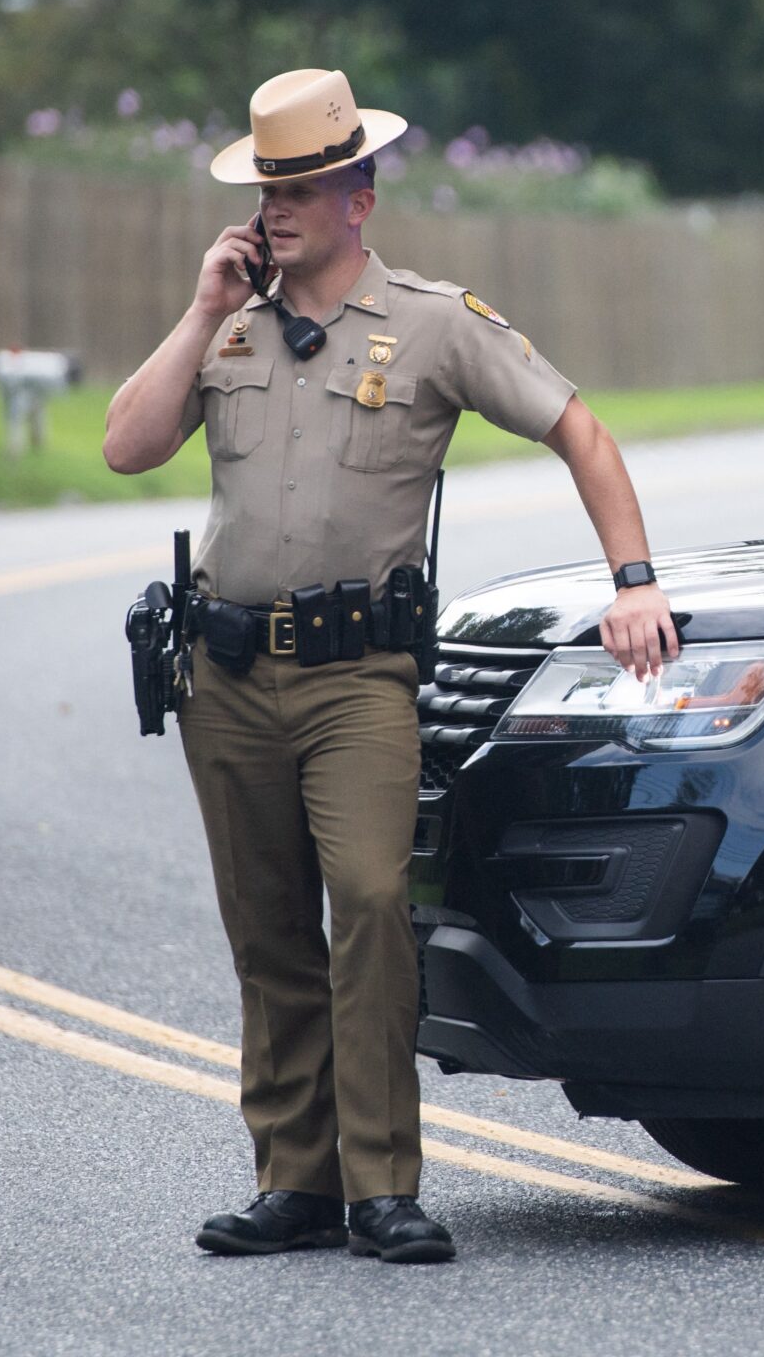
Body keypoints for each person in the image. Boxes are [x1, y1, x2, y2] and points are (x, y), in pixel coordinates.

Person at [102, 68, 679, 1263]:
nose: (280, 209)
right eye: (269, 186)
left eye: (305, 184)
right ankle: (294, 1181)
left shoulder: (432, 323)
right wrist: (200, 308)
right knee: (266, 931)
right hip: (226, 676)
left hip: (357, 678)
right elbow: (126, 444)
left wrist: (635, 584)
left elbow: (581, 428)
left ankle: (382, 1184)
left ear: (361, 192)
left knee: (367, 903)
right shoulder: (231, 326)